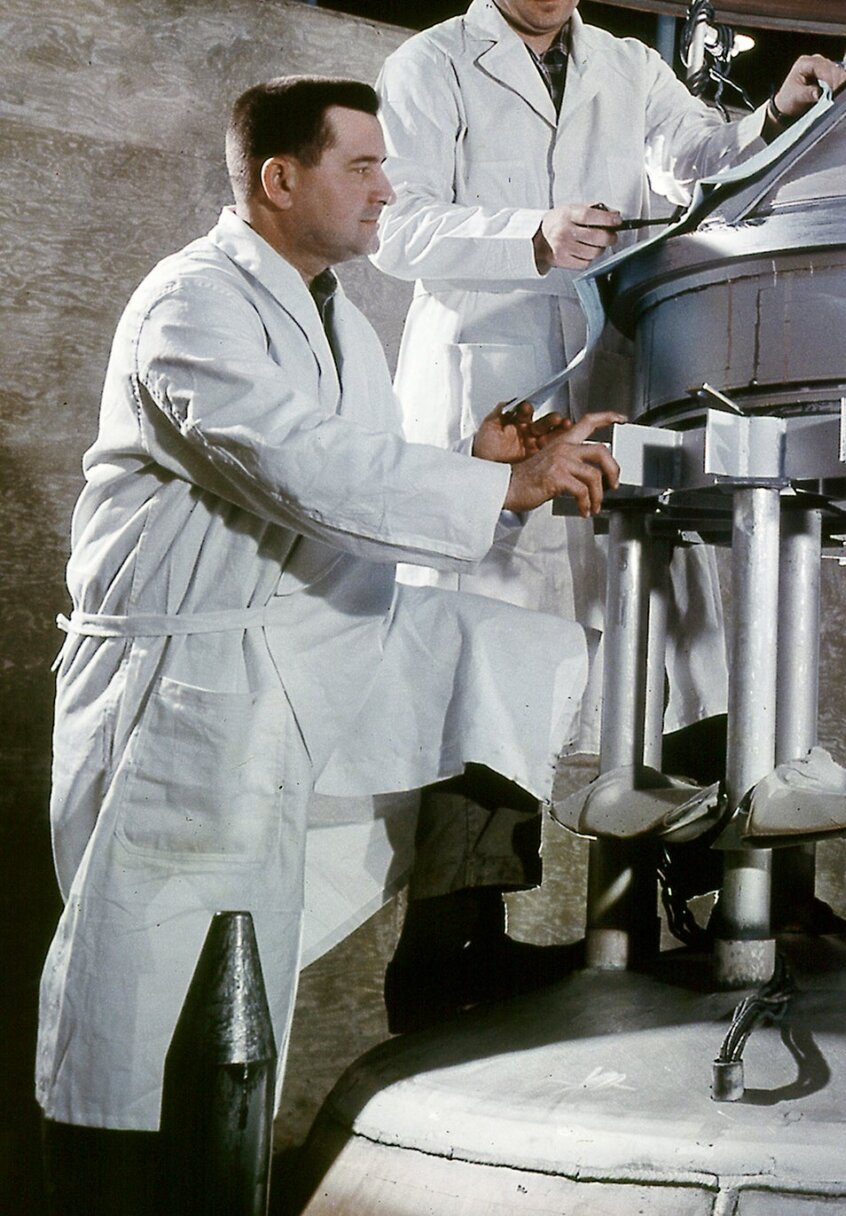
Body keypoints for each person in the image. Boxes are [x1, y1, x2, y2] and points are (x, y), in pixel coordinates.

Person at [37, 78, 623, 1214]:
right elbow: (297, 465)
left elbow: (346, 463)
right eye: (362, 166)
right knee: (145, 1003)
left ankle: (454, 944)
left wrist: (470, 450)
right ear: (280, 178)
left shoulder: (331, 309)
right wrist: (496, 486)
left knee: (504, 653)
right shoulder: (191, 304)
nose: (388, 189)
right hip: (188, 683)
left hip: (303, 646)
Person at [371, 0, 844, 1016]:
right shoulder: (429, 68)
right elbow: (394, 228)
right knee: (482, 659)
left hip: (610, 386)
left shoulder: (628, 66)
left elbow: (702, 159)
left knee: (674, 629)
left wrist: (775, 115)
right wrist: (526, 235)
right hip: (488, 394)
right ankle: (450, 952)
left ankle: (728, 892)